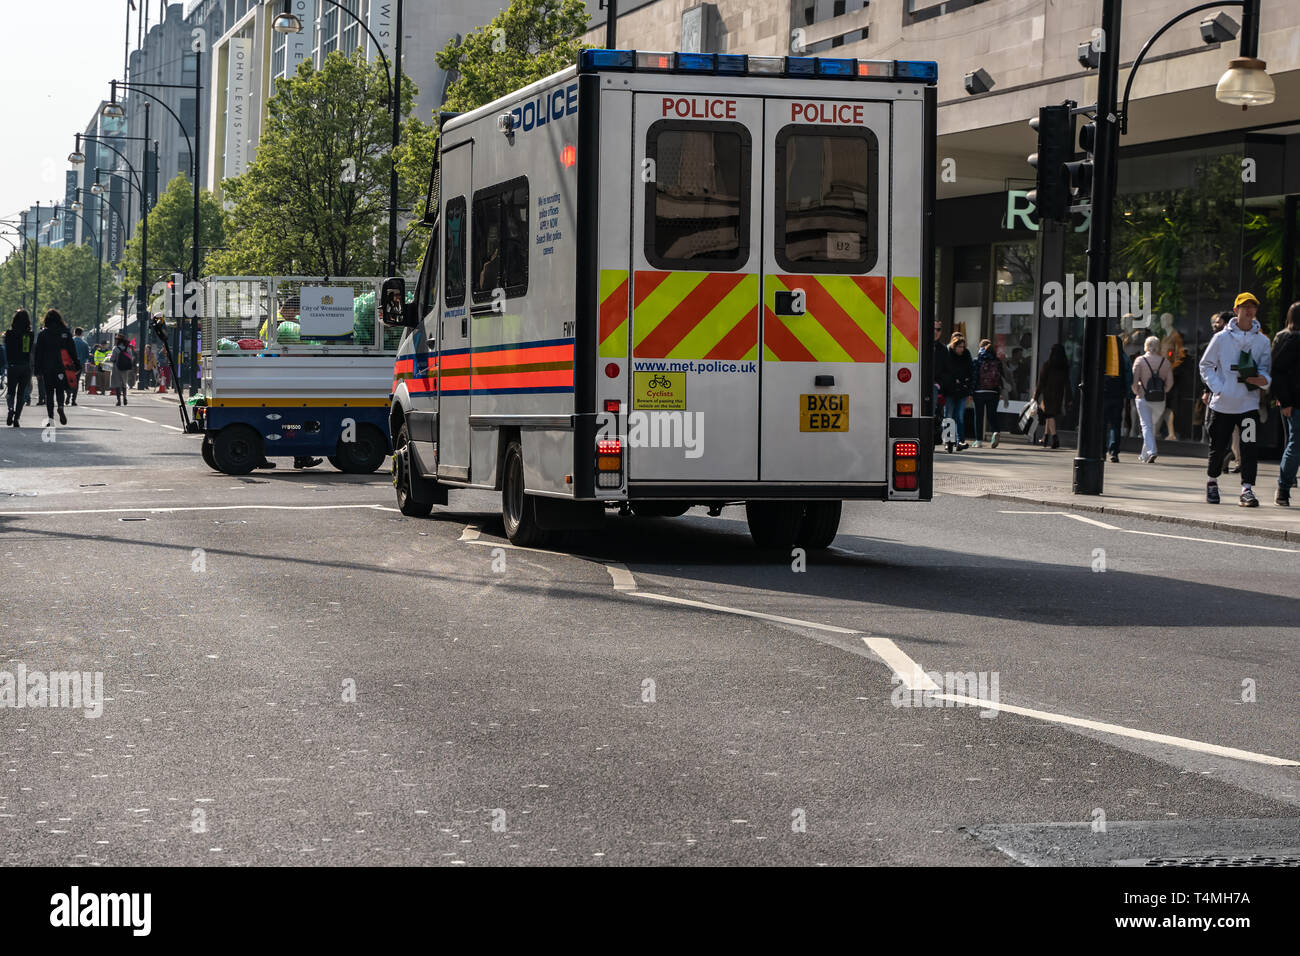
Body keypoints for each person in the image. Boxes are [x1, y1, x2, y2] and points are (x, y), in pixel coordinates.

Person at [1200, 292, 1271, 507]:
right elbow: (1205, 365)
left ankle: (1247, 489)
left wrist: (1261, 380)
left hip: (1247, 405)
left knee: (1249, 446)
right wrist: (1218, 388)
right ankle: (1212, 482)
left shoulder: (1262, 341)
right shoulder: (1221, 337)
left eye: (1252, 307)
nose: (1248, 310)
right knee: (1218, 446)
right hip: (1222, 405)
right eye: (1244, 306)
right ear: (1236, 309)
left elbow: (1267, 372)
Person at [1270, 301, 1300, 506]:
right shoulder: (1291, 339)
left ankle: (1284, 486)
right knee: (1294, 443)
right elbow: (1279, 371)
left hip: (1290, 399)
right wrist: (1286, 400)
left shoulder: (1283, 337)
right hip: (1294, 400)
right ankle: (1284, 487)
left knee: (1293, 442)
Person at [32, 309, 81, 426]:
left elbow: (38, 353)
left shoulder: (43, 334)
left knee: (49, 393)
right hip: (61, 366)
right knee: (60, 389)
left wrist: (37, 369)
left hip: (47, 367)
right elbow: (72, 350)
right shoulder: (65, 333)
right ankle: (60, 406)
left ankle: (50, 418)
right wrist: (77, 363)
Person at [1131, 335, 1174, 463]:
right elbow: (1170, 383)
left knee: (1146, 426)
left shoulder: (1140, 360)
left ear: (1146, 346)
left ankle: (1152, 451)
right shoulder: (1165, 362)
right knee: (1151, 426)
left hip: (1143, 397)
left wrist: (1137, 391)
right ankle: (1144, 455)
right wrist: (1162, 391)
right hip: (1160, 400)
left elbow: (1134, 382)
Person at [971, 339, 1009, 448]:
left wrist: (971, 391)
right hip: (993, 392)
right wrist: (1000, 390)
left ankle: (978, 441)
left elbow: (974, 377)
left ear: (980, 348)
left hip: (979, 392)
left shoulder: (977, 360)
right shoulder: (997, 361)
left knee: (978, 416)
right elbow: (1001, 377)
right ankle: (995, 431)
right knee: (992, 414)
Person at [1102, 332, 1133, 462]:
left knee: (1102, 423)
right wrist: (1129, 393)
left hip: (1103, 394)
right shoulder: (1124, 357)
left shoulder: (1102, 357)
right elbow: (1128, 377)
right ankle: (1114, 451)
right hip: (1118, 395)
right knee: (1115, 423)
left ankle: (1100, 450)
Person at [940, 333, 973, 452]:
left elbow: (970, 372)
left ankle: (960, 441)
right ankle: (948, 441)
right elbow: (945, 372)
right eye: (959, 347)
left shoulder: (966, 355)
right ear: (954, 346)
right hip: (950, 390)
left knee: (959, 416)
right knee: (948, 416)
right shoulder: (948, 354)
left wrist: (969, 391)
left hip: (962, 390)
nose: (961, 349)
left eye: (963, 347)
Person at [1034, 343, 1070, 449]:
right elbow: (1067, 383)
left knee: (1049, 415)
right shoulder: (1064, 366)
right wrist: (1069, 397)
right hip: (1059, 393)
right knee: (1049, 415)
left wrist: (1036, 396)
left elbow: (1041, 382)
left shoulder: (1047, 365)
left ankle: (1054, 438)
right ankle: (1045, 437)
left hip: (1048, 393)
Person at [4, 311, 33, 427]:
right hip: (25, 366)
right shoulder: (29, 334)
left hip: (13, 366)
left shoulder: (9, 333)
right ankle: (17, 418)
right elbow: (28, 351)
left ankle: (11, 408)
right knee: (21, 393)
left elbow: (7, 349)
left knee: (11, 391)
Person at [931, 319, 948, 446]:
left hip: (934, 386)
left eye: (938, 329)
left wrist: (939, 383)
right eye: (934, 328)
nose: (936, 332)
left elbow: (947, 369)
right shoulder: (919, 345)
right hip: (918, 384)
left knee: (931, 413)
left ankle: (930, 438)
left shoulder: (943, 349)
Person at [108, 334, 134, 406]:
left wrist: (110, 359)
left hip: (117, 368)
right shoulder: (128, 349)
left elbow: (112, 359)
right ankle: (125, 397)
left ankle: (118, 400)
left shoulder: (115, 349)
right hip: (125, 368)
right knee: (124, 383)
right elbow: (131, 358)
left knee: (117, 384)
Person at [68, 327, 90, 406]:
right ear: (81, 333)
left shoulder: (70, 341)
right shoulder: (84, 343)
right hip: (79, 365)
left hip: (69, 363)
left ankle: (67, 397)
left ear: (74, 332)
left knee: (69, 380)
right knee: (76, 382)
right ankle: (73, 399)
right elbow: (87, 356)